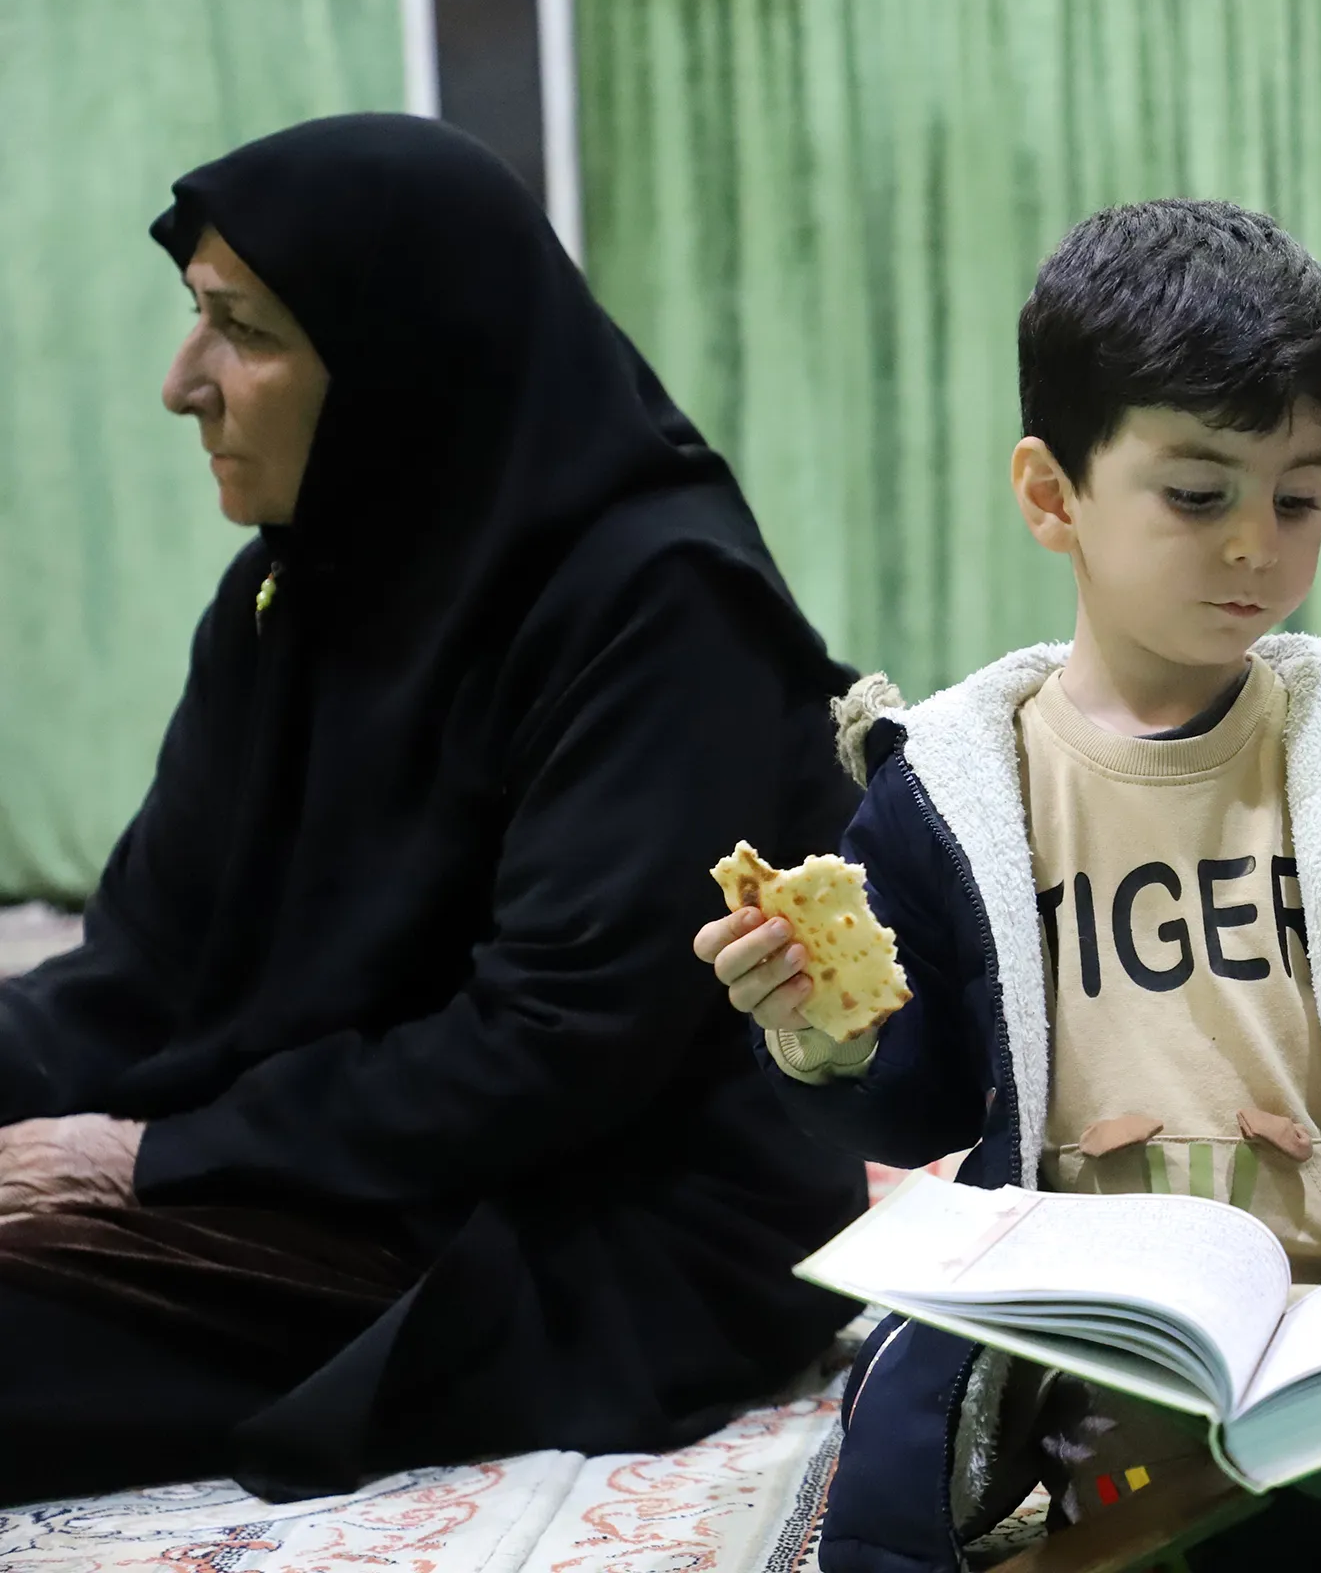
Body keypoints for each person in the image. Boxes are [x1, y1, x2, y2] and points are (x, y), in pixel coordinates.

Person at [694, 199, 1321, 1571]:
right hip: (1104, 1323)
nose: (1258, 543)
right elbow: (926, 1100)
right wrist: (825, 1037)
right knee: (1133, 1496)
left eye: (1298, 496)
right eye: (1199, 496)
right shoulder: (954, 788)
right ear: (1052, 495)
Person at [0, 114, 868, 1504]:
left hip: (584, 1220)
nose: (183, 384)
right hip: (351, 1160)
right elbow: (145, 969)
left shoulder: (660, 607)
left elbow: (553, 1045)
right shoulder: (293, 589)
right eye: (196, 318)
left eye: (243, 331)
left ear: (406, 358)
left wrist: (158, 1157)